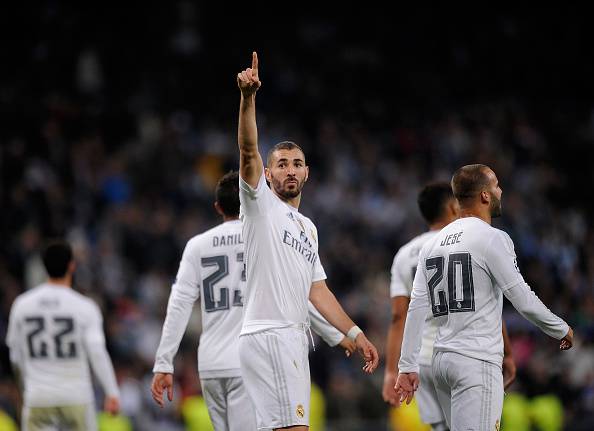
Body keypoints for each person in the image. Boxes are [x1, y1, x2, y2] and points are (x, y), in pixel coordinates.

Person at [236, 51, 379, 431]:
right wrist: (248, 99)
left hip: (289, 337)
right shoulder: (259, 204)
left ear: (308, 172)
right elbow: (248, 150)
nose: (290, 169)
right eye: (281, 164)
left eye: (296, 163)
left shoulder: (308, 228)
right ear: (267, 174)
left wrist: (353, 332)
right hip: (272, 335)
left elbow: (318, 292)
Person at [150, 171, 356, 431]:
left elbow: (178, 304)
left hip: (211, 364)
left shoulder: (197, 245)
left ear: (218, 207)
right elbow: (295, 295)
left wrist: (164, 362)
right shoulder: (263, 237)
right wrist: (336, 335)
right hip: (247, 359)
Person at [395, 164, 573, 430]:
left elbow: (417, 307)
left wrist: (407, 364)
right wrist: (560, 328)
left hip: (441, 362)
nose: (500, 190)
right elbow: (521, 297)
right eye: (496, 185)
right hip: (475, 361)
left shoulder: (432, 244)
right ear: (485, 195)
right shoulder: (493, 238)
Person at [382, 182, 516, 431]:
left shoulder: (404, 254)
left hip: (423, 361)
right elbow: (486, 304)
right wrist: (506, 352)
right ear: (454, 207)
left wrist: (392, 370)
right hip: (465, 353)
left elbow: (398, 316)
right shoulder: (472, 241)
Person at [5, 240, 120, 431]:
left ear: (43, 266)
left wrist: (26, 387)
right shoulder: (85, 306)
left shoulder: (22, 305)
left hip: (38, 396)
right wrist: (112, 391)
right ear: (72, 266)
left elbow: (15, 357)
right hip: (76, 395)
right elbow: (97, 352)